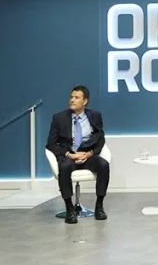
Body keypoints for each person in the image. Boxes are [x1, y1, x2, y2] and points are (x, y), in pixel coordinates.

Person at [46, 85, 110, 224]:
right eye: (71, 97)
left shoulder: (95, 116)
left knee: (103, 165)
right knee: (64, 167)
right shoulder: (59, 118)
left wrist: (90, 153)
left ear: (85, 101)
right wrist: (69, 154)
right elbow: (51, 144)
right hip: (69, 156)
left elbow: (100, 138)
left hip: (88, 156)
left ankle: (99, 206)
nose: (72, 100)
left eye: (76, 98)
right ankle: (69, 208)